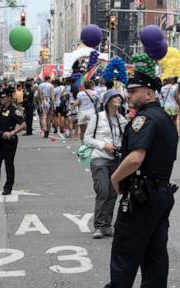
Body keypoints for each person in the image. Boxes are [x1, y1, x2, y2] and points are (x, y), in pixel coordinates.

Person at [105, 72, 178, 288]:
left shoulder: (144, 119)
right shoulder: (164, 117)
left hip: (142, 196)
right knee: (155, 254)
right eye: (128, 90)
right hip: (161, 194)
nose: (128, 95)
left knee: (125, 252)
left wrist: (115, 178)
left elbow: (136, 158)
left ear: (149, 94)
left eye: (133, 91)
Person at [84, 89, 127, 239]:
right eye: (115, 97)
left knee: (113, 193)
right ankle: (99, 226)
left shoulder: (122, 119)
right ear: (107, 101)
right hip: (100, 159)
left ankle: (107, 225)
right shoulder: (97, 118)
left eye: (119, 97)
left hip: (116, 161)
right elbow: (87, 139)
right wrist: (104, 146)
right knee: (103, 191)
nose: (118, 99)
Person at [0, 88, 26, 196]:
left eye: (3, 97)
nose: (1, 99)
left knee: (8, 165)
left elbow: (23, 125)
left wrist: (12, 133)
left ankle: (8, 187)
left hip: (9, 141)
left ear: (9, 98)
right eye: (0, 97)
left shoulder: (13, 110)